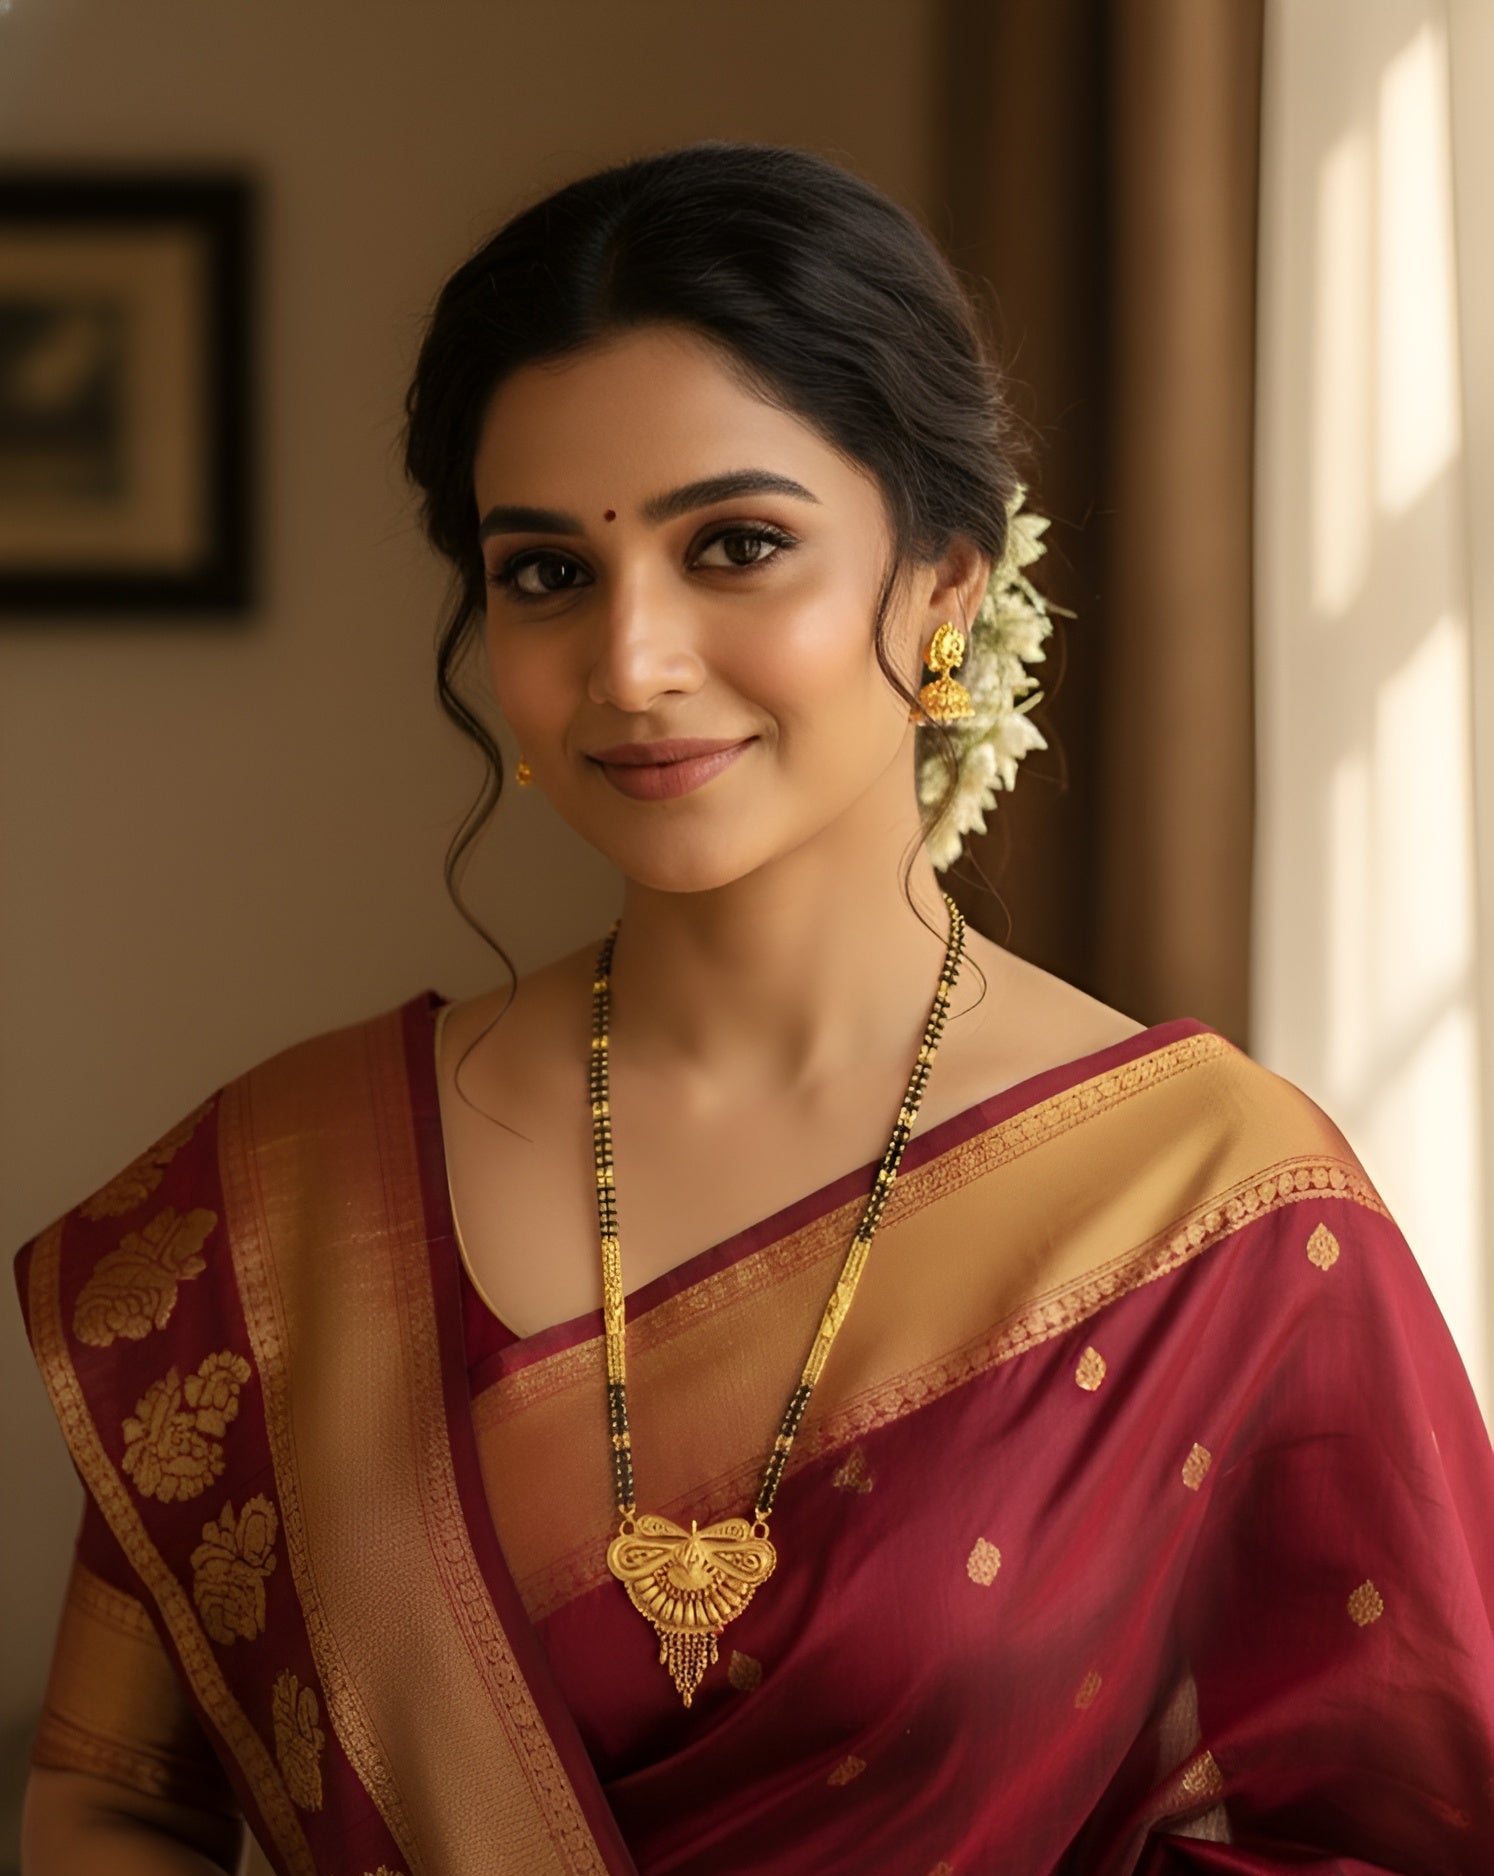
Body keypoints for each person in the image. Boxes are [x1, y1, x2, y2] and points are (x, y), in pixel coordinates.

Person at [14, 141, 1494, 1876]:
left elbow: (1407, 1831)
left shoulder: (1208, 1207)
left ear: (945, 584)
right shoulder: (285, 1194)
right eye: (548, 572)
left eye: (736, 545)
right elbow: (113, 1795)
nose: (631, 661)